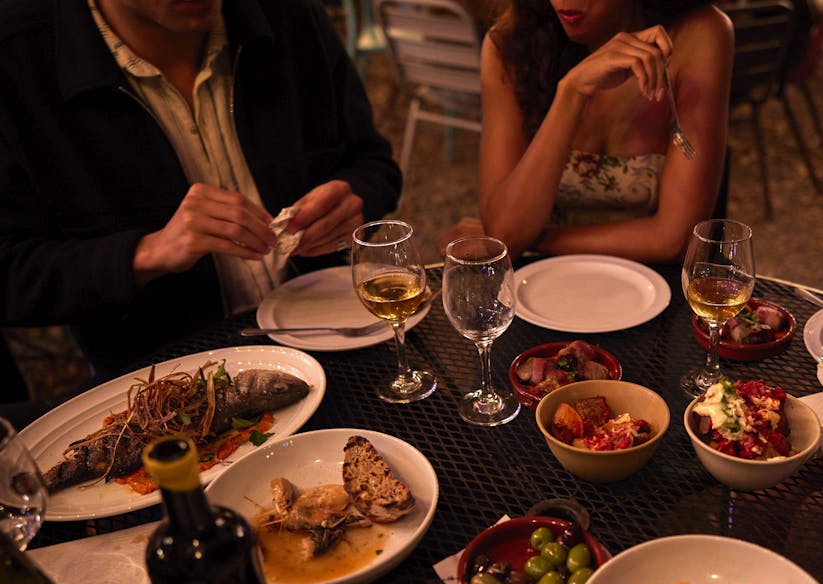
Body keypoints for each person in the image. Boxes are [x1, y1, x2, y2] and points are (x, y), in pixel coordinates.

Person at [0, 0, 402, 375]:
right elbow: (13, 276)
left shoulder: (289, 14)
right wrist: (145, 253)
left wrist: (356, 196)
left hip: (337, 340)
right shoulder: (19, 59)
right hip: (169, 381)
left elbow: (373, 162)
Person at [454, 0, 732, 263]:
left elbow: (676, 239)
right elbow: (506, 230)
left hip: (657, 287)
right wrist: (572, 93)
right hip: (538, 287)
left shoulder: (697, 34)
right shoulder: (510, 45)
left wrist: (536, 240)